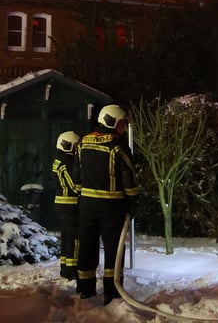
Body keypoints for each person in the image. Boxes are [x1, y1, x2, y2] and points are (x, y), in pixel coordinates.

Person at [74, 104, 138, 304]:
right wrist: (133, 201)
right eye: (121, 123)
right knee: (114, 249)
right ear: (111, 121)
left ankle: (85, 289)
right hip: (112, 207)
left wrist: (81, 195)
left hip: (86, 206)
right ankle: (112, 291)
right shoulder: (117, 146)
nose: (123, 128)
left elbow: (76, 174)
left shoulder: (83, 143)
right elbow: (128, 177)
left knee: (86, 246)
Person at [51, 130, 81, 281]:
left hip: (62, 204)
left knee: (66, 238)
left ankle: (65, 267)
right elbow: (74, 186)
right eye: (76, 146)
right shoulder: (67, 162)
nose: (77, 149)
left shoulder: (58, 160)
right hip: (70, 204)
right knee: (73, 238)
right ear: (67, 145)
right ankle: (72, 269)